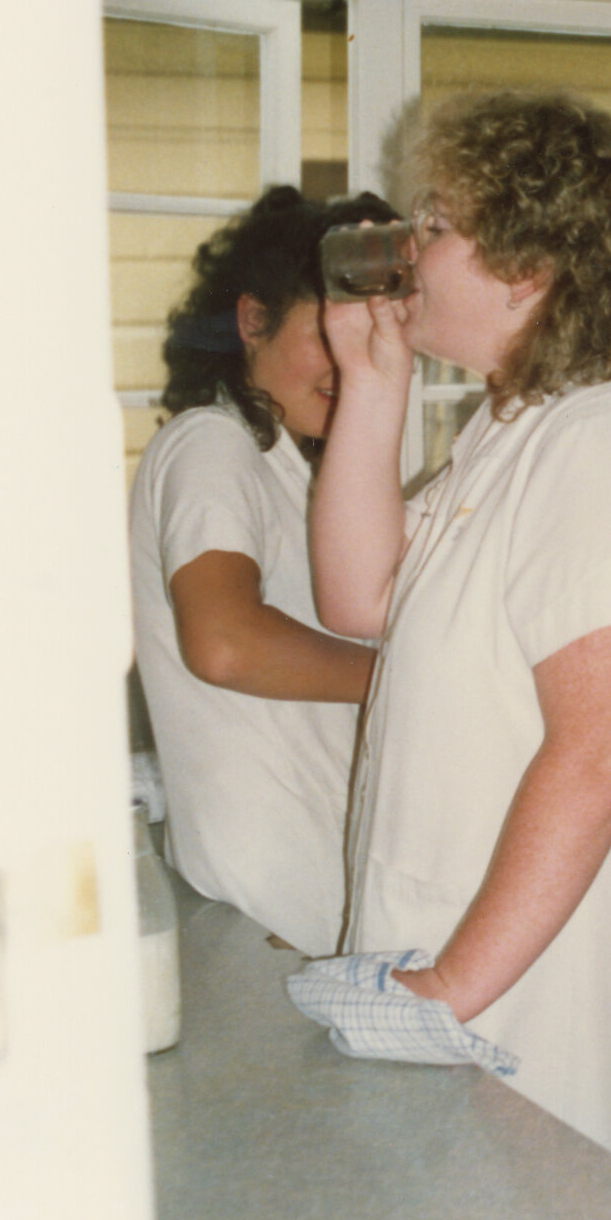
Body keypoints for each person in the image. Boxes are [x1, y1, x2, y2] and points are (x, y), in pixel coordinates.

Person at [311, 90, 611, 1196]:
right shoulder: (512, 432)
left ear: (530, 262)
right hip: (476, 1000)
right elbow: (362, 596)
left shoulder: (604, 443)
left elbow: (603, 752)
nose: (407, 251)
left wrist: (448, 987)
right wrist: (373, 383)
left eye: (435, 223)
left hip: (550, 1023)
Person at [129, 185, 388, 955]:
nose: (355, 360)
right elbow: (225, 641)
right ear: (252, 321)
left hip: (308, 910)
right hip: (268, 915)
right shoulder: (212, 442)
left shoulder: (291, 473)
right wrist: (406, 673)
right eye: (328, 329)